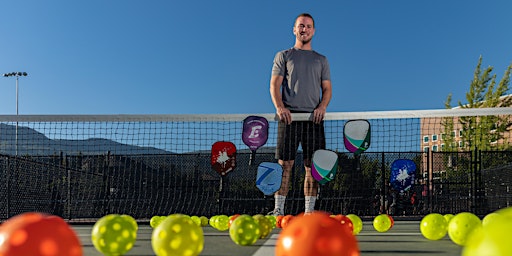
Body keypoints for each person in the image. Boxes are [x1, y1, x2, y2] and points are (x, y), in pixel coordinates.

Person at [269, 13, 332, 215]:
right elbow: (274, 85)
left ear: (313, 30)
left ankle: (309, 213)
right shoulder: (283, 56)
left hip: (313, 119)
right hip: (289, 118)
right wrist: (280, 108)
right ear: (294, 30)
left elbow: (327, 89)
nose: (304, 29)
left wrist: (322, 107)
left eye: (308, 26)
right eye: (300, 26)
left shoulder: (321, 60)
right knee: (284, 165)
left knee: (311, 168)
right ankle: (278, 210)